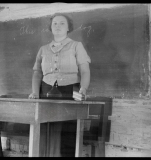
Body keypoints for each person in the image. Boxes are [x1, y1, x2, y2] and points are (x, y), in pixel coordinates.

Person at [28, 13, 91, 157]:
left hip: (72, 90)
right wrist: (35, 93)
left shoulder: (76, 46)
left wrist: (83, 89)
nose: (58, 26)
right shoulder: (43, 49)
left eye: (62, 23)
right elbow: (37, 72)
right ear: (50, 27)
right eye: (55, 23)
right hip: (45, 90)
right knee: (45, 128)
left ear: (69, 27)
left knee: (68, 129)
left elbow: (85, 71)